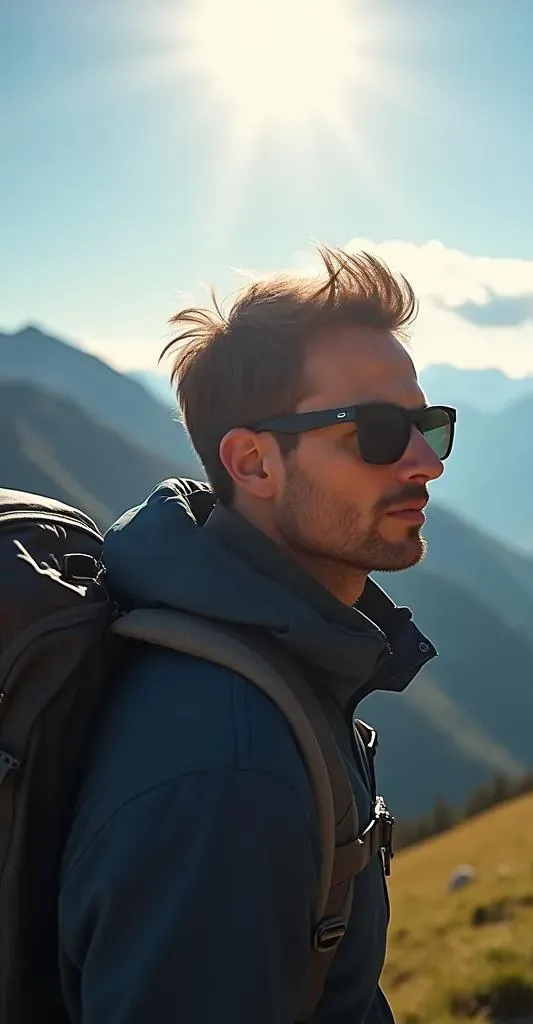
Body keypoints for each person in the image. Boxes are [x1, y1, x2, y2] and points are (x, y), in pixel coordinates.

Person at [57, 247, 455, 1023]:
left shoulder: (266, 661)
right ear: (253, 463)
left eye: (427, 426)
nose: (425, 464)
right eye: (377, 432)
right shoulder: (228, 767)